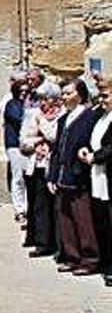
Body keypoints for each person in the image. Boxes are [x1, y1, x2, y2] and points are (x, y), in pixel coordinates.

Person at [49, 79, 101, 276]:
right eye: (63, 93)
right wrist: (52, 176)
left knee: (83, 219)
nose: (64, 97)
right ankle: (72, 256)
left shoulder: (90, 117)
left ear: (79, 94)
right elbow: (57, 151)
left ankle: (90, 259)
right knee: (66, 220)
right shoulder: (64, 120)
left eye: (68, 93)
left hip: (80, 177)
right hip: (62, 177)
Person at [19, 81, 64, 257]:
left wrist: (41, 124)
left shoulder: (62, 115)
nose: (41, 103)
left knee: (56, 206)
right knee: (39, 205)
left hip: (54, 164)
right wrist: (36, 141)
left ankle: (58, 243)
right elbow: (23, 141)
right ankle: (42, 242)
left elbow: (54, 137)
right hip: (36, 164)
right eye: (40, 99)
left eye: (45, 99)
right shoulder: (33, 114)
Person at [77, 78, 112, 286]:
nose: (102, 100)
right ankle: (106, 263)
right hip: (99, 177)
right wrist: (85, 149)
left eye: (106, 96)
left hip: (107, 172)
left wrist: (95, 157)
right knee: (103, 222)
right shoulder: (101, 116)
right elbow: (92, 138)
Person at [5, 79, 30, 224]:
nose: (24, 93)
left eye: (26, 91)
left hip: (28, 145)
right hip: (15, 145)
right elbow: (19, 119)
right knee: (18, 177)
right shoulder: (12, 104)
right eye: (21, 91)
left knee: (28, 177)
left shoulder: (30, 104)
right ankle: (20, 209)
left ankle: (28, 207)